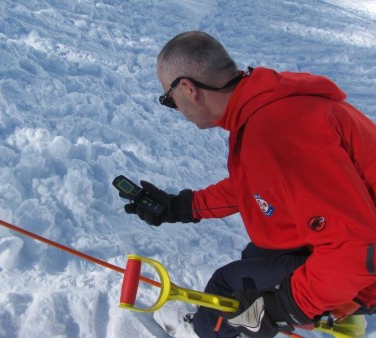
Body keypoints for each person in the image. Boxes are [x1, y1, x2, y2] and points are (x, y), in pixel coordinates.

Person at [121, 31, 376, 338]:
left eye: (168, 100)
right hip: (356, 245)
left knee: (228, 286)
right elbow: (261, 183)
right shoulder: (266, 105)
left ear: (188, 89)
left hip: (364, 267)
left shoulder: (278, 132)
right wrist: (181, 207)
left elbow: (357, 248)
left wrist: (284, 306)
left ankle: (202, 331)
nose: (173, 107)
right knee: (257, 257)